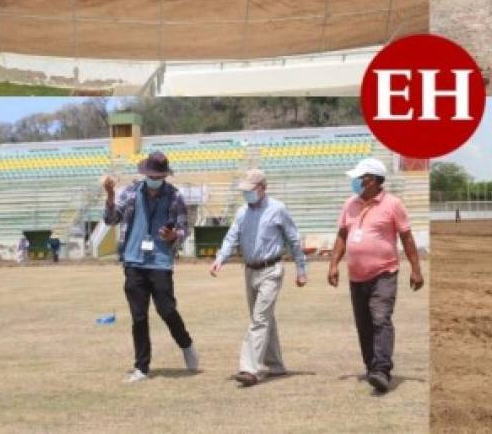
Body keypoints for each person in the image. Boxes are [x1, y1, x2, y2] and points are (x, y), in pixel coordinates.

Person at [328, 158, 424, 394]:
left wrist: (416, 268)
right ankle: (372, 366)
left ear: (371, 180)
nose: (355, 182)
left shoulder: (393, 205)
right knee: (364, 325)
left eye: (359, 178)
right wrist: (333, 264)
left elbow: (407, 238)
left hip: (384, 272)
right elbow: (342, 235)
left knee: (380, 319)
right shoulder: (350, 204)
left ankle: (382, 369)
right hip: (356, 276)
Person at [103, 151, 198, 383]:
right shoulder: (132, 192)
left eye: (159, 175)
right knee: (138, 317)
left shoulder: (175, 197)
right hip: (134, 260)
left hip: (160, 261)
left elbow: (184, 229)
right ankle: (141, 368)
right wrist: (110, 196)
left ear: (164, 175)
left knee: (167, 310)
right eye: (151, 175)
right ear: (145, 174)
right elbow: (111, 219)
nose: (154, 178)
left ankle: (186, 344)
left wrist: (174, 234)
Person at [210, 169, 307, 387]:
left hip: (271, 270)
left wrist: (301, 269)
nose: (247, 195)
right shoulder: (242, 212)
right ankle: (275, 364)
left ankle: (249, 368)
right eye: (245, 191)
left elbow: (293, 239)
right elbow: (231, 236)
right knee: (264, 318)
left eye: (251, 190)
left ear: (263, 188)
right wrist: (220, 258)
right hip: (250, 270)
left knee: (259, 318)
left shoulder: (278, 209)